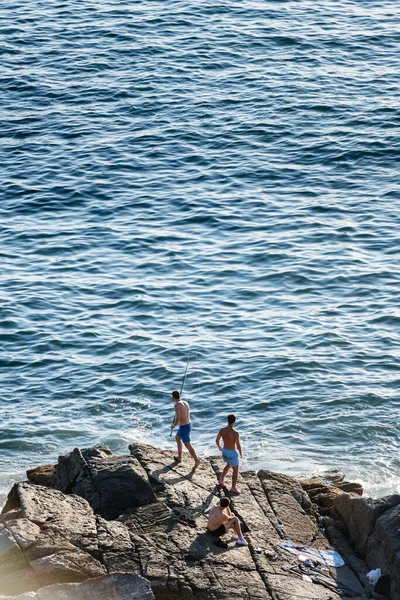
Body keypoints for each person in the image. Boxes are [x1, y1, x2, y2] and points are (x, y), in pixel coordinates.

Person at [171, 390, 200, 469]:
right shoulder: (185, 403)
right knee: (177, 438)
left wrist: (173, 426)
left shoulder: (176, 405)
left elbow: (178, 418)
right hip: (188, 424)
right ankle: (179, 457)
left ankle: (197, 461)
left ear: (173, 397)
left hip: (184, 427)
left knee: (188, 445)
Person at [215, 414, 242, 494]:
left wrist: (219, 447)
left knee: (229, 465)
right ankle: (233, 488)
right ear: (235, 421)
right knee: (235, 470)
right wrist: (240, 453)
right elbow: (238, 444)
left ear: (227, 420)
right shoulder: (235, 433)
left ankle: (221, 480)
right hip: (231, 452)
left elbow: (217, 440)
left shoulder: (222, 430)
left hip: (224, 451)